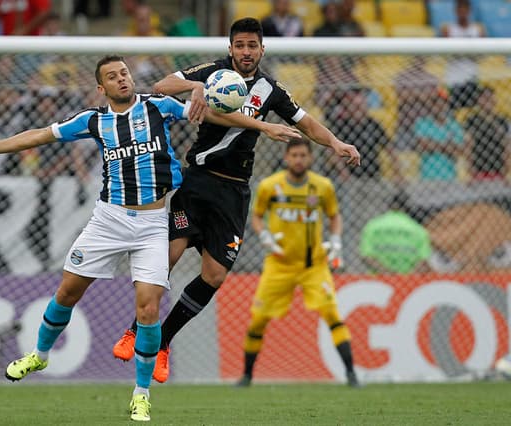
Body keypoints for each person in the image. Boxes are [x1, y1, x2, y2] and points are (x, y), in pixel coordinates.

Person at [0, 55, 300, 422]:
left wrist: (262, 128)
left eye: (123, 73)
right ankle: (40, 355)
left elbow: (214, 115)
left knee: (149, 308)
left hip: (153, 223)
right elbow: (42, 135)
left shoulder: (159, 106)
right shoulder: (93, 120)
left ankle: (141, 395)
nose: (122, 79)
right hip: (108, 221)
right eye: (113, 76)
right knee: (67, 293)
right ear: (101, 88)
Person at [112, 17, 361, 384]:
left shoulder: (270, 90)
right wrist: (196, 86)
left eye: (252, 46)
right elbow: (163, 84)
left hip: (234, 192)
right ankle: (135, 331)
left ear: (263, 49)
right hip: (196, 184)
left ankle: (163, 341)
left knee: (214, 275)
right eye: (239, 45)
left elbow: (306, 122)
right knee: (167, 257)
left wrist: (336, 143)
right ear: (230, 48)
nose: (246, 52)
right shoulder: (213, 71)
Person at [234, 138, 359, 387]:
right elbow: (257, 217)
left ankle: (351, 375)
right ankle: (247, 376)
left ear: (310, 158)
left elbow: (335, 217)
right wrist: (265, 236)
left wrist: (336, 240)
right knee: (258, 319)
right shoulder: (270, 186)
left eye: (303, 155)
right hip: (279, 265)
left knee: (332, 314)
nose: (299, 160)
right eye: (294, 155)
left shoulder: (322, 187)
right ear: (286, 158)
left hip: (314, 266)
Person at [359, 191, 431, 274]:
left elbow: (367, 256)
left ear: (390, 206)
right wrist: (406, 278)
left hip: (378, 281)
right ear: (408, 208)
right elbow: (423, 260)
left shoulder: (372, 225)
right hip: (408, 281)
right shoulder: (417, 229)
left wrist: (387, 274)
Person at [464, 86, 509, 181]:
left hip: (499, 168)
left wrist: (506, 169)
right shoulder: (472, 120)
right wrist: (470, 168)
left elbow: (506, 145)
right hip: (478, 169)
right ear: (478, 100)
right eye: (484, 97)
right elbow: (468, 144)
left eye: (490, 97)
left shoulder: (502, 120)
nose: (488, 100)